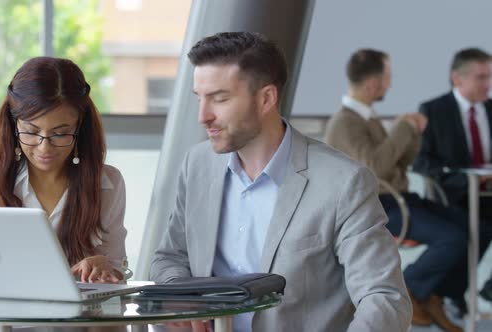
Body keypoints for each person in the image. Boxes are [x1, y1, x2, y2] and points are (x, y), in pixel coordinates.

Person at [150, 32, 411, 332]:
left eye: (219, 99)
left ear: (266, 99)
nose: (203, 116)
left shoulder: (342, 182)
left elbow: (384, 297)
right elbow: (170, 257)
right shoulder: (197, 165)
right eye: (199, 98)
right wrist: (184, 299)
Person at [0, 57, 128, 332]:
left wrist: (105, 269)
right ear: (13, 124)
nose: (44, 147)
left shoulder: (107, 183)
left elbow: (116, 281)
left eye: (60, 134)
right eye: (31, 132)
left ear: (80, 128)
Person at [325, 48, 466, 332]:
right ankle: (411, 290)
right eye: (388, 78)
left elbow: (397, 165)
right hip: (381, 205)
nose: (390, 84)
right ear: (373, 82)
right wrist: (403, 128)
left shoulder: (367, 118)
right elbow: (374, 170)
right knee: (452, 237)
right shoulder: (345, 123)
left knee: (471, 226)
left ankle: (430, 294)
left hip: (400, 198)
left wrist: (411, 133)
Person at [413, 47, 492, 312]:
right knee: (479, 227)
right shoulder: (434, 110)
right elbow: (422, 161)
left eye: (490, 77)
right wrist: (461, 178)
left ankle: (483, 288)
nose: (488, 84)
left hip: (489, 192)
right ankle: (449, 292)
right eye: (481, 77)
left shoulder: (490, 109)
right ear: (458, 78)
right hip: (454, 195)